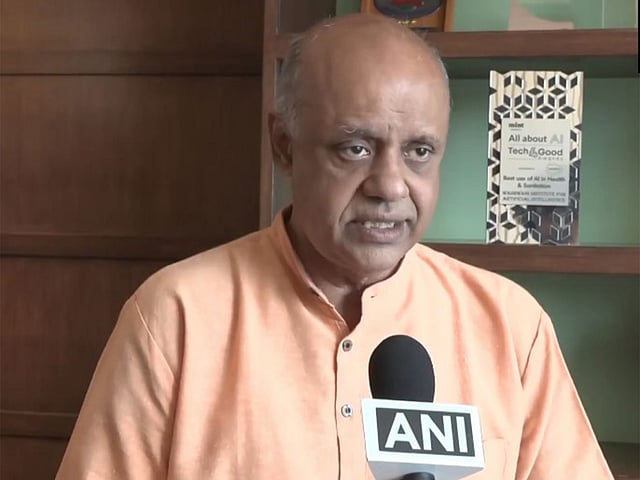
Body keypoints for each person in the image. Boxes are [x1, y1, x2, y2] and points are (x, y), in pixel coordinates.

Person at [56, 13, 613, 480]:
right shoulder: (175, 318)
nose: (390, 186)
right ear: (284, 146)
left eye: (419, 151)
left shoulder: (512, 328)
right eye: (355, 148)